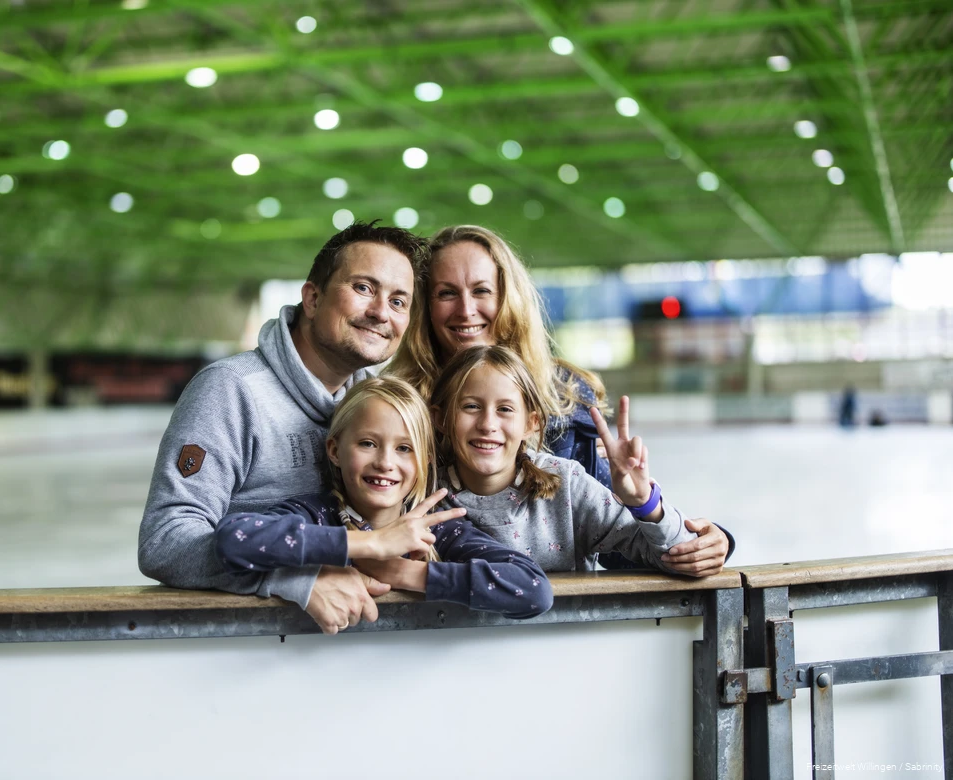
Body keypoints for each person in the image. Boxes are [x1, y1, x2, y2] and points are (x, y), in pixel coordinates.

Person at [387, 225, 732, 576]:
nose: (466, 309)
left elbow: (619, 538)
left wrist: (697, 539)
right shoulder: (394, 408)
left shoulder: (565, 400)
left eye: (482, 291)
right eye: (446, 293)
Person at [138, 221, 428, 633]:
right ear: (312, 298)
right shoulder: (231, 390)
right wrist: (292, 580)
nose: (381, 312)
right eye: (364, 288)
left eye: (399, 301)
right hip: (246, 651)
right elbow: (165, 543)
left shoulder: (381, 406)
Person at [213, 377, 554, 630]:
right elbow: (234, 539)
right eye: (367, 443)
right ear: (335, 450)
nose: (385, 463)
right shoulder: (317, 514)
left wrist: (405, 573)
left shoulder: (438, 529)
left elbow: (533, 590)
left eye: (404, 448)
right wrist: (371, 544)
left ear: (424, 460)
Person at [412, 345, 697, 576]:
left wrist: (645, 503)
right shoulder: (422, 495)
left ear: (531, 424)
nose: (488, 424)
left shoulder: (568, 485)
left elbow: (681, 557)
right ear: (441, 419)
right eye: (471, 406)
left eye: (505, 409)